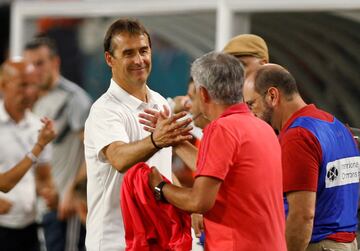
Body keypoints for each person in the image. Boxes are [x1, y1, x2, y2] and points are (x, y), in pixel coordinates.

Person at [149, 51, 286, 250]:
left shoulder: (221, 129)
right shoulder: (262, 127)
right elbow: (217, 170)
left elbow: (199, 201)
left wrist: (161, 188)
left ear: (203, 93)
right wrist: (175, 141)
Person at [84, 18, 192, 251]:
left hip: (157, 236)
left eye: (144, 51)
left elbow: (161, 168)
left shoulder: (159, 102)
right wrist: (156, 140)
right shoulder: (104, 110)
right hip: (115, 241)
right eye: (128, 53)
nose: (138, 60)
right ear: (109, 59)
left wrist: (188, 206)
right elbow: (119, 158)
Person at [243, 63, 360, 251]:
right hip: (347, 243)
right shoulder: (336, 126)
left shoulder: (298, 136)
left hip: (317, 244)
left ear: (272, 96)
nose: (251, 113)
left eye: (251, 104)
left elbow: (302, 216)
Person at [24, 36, 92, 251]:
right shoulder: (30, 101)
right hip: (39, 207)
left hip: (66, 208)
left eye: (40, 63)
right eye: (30, 65)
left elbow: (95, 152)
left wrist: (72, 193)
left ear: (55, 62)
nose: (35, 70)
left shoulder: (74, 99)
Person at [0, 58, 57, 251]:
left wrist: (49, 192)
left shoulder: (37, 127)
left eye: (33, 85)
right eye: (23, 85)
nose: (30, 92)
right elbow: (3, 184)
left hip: (29, 227)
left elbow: (43, 178)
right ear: (3, 84)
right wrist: (38, 147)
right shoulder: (41, 138)